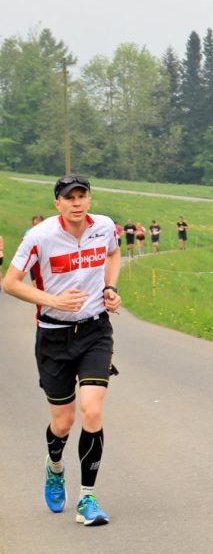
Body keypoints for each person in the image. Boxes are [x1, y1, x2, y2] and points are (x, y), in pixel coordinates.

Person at [2, 174, 122, 526]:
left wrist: (110, 287)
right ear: (57, 203)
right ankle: (55, 467)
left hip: (95, 330)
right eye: (69, 197)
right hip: (53, 337)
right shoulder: (38, 237)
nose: (76, 203)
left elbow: (114, 255)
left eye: (82, 196)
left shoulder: (104, 226)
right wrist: (53, 300)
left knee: (92, 411)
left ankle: (88, 498)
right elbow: (9, 284)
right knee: (63, 421)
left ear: (89, 200)